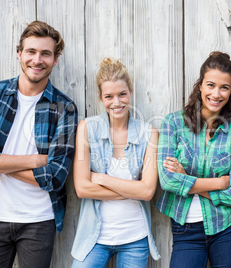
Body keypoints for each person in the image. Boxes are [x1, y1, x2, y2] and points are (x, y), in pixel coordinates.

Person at [0, 20, 78, 268]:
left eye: (46, 53)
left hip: (39, 220)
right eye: (31, 52)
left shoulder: (65, 108)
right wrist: (35, 160)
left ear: (55, 59)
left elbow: (56, 177)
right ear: (19, 54)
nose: (37, 60)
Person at [157, 51, 231, 268]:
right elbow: (167, 180)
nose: (216, 94)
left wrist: (186, 179)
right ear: (200, 85)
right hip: (186, 231)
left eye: (224, 87)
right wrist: (219, 183)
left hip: (227, 229)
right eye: (211, 85)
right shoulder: (174, 124)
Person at [71, 57, 160, 267]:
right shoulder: (87, 128)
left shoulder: (149, 133)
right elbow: (82, 189)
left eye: (122, 94)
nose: (117, 102)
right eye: (109, 96)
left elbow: (148, 192)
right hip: (94, 237)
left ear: (130, 91)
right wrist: (133, 190)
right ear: (101, 98)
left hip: (135, 238)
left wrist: (101, 178)